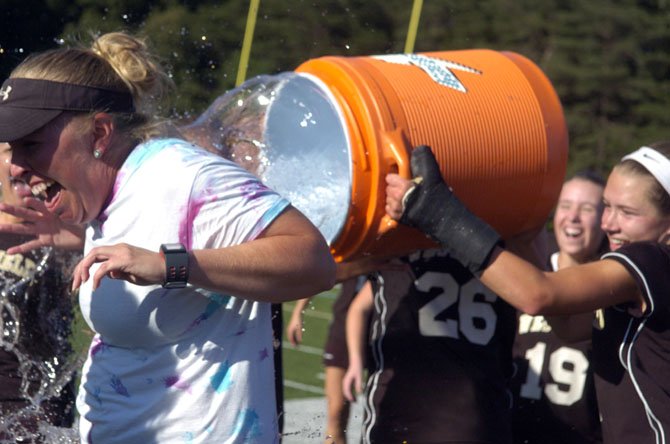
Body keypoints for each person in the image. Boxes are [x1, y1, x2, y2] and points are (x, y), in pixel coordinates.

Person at [0, 31, 336, 443]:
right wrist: (79, 235)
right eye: (11, 148)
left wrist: (171, 266)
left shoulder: (183, 178)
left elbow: (314, 260)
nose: (15, 166)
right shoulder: (112, 189)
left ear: (99, 134)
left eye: (30, 143)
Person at [385, 142, 670, 444]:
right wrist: (523, 239)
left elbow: (538, 296)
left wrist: (437, 213)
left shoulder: (652, 261)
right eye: (607, 206)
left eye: (627, 212)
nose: (608, 223)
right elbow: (570, 326)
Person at [341, 242, 520, 441]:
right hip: (476, 411)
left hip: (406, 404)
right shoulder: (498, 249)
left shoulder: (402, 245)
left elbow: (344, 284)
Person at [511, 171, 606, 444]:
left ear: (605, 218)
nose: (573, 216)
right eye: (565, 205)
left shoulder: (613, 286)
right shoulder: (525, 269)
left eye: (587, 208)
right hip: (514, 431)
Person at [0, 143, 81, 442]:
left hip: (44, 418)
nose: (23, 160)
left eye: (31, 144)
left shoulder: (72, 238)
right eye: (11, 147)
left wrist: (82, 239)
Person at [286, 276, 367, 443]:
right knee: (336, 411)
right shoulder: (353, 250)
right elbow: (329, 273)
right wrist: (298, 312)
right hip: (343, 327)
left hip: (385, 327)